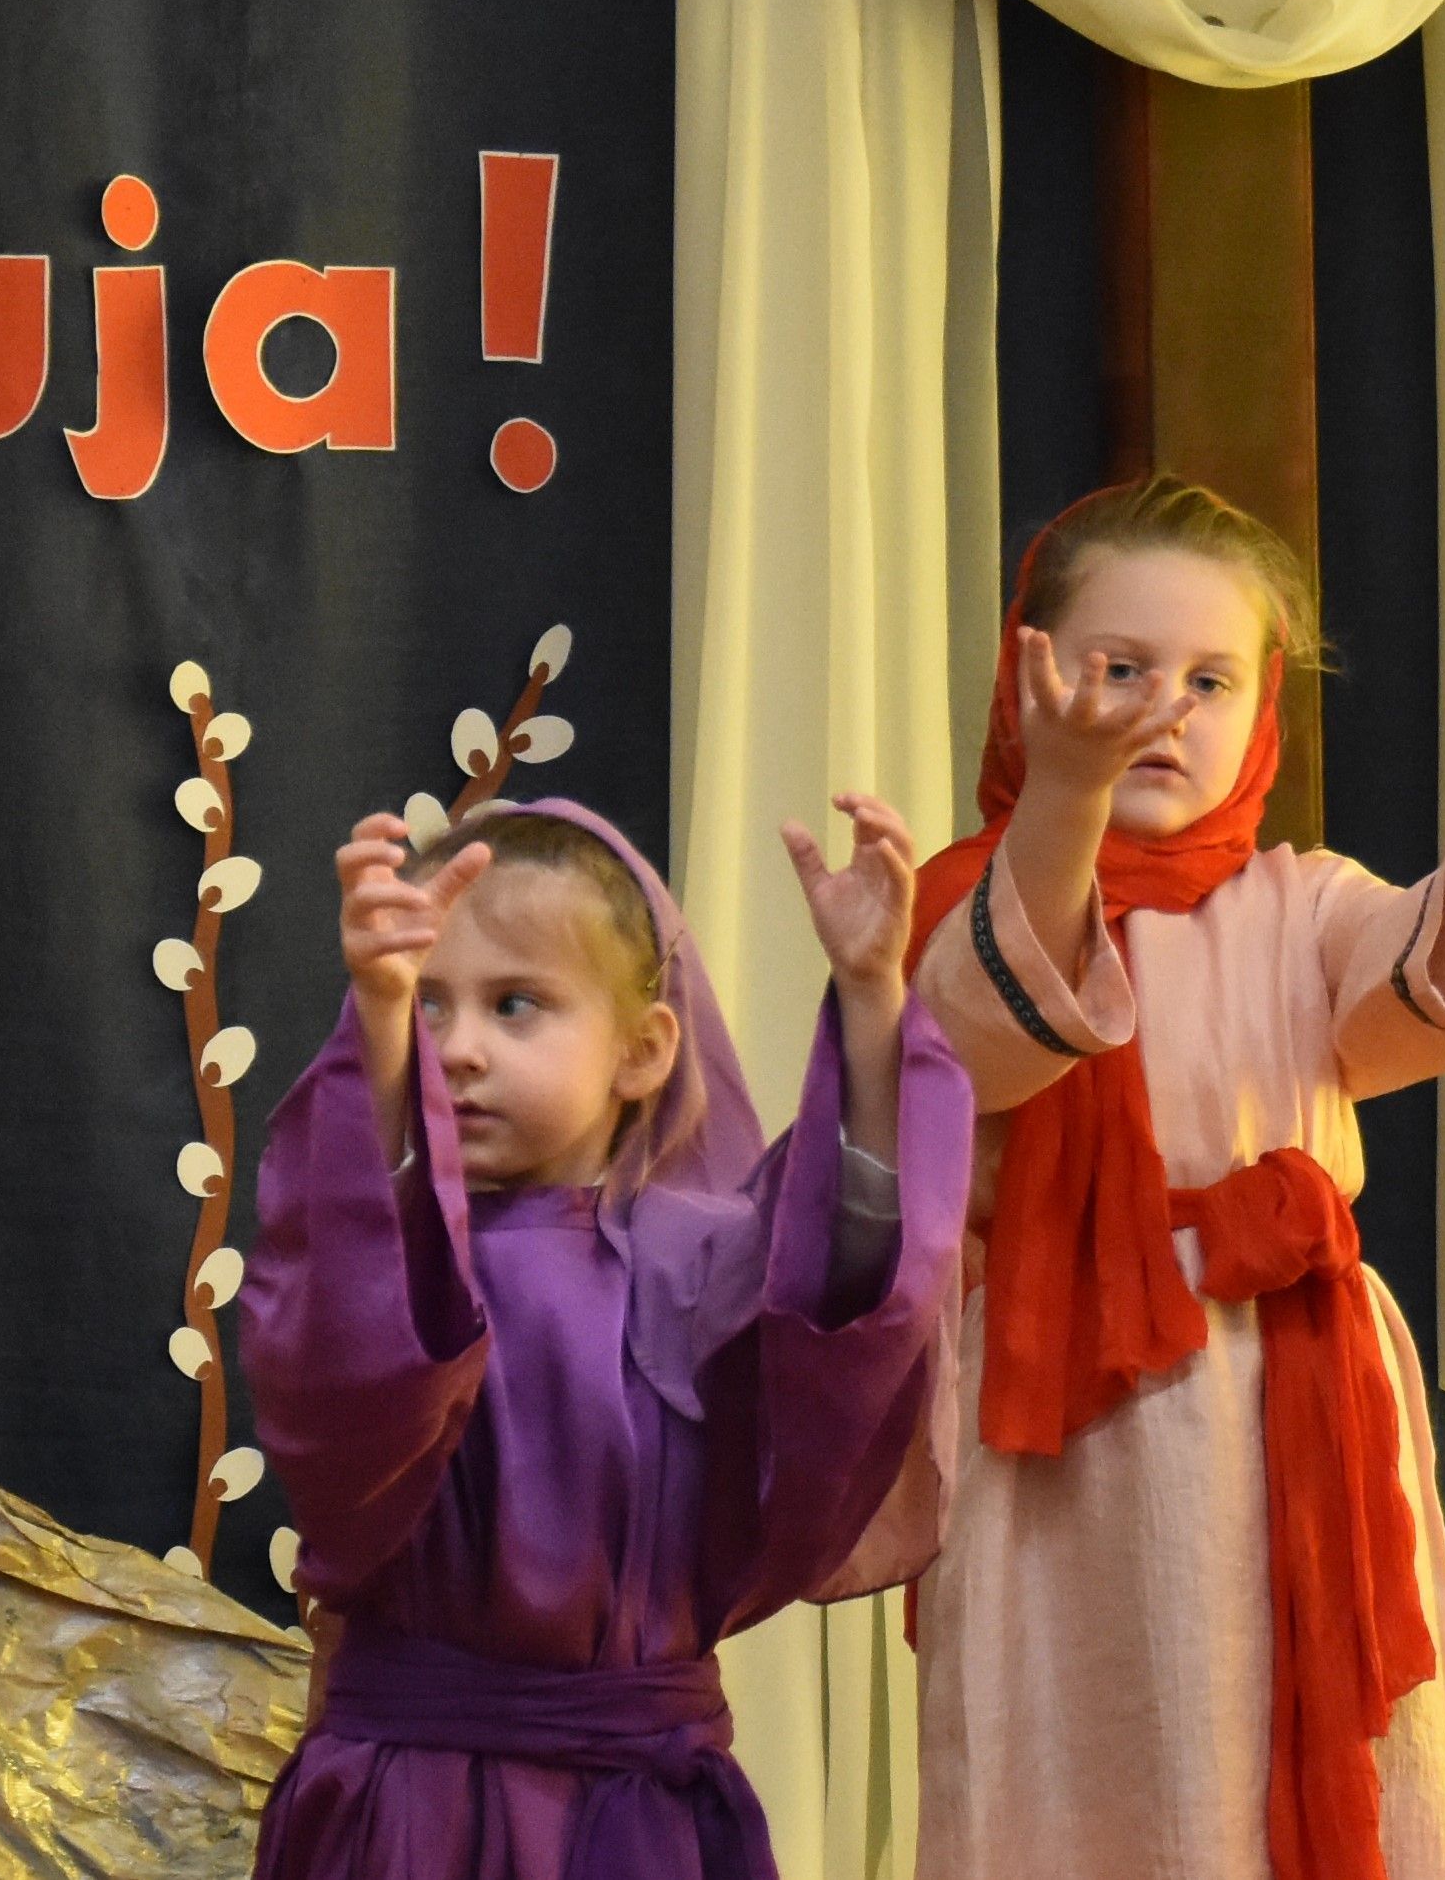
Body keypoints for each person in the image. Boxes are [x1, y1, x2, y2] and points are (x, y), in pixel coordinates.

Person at [905, 476, 1445, 1880]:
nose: (1163, 708)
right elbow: (985, 1036)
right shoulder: (971, 895)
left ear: (1264, 708)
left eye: (1209, 679)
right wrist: (1066, 794)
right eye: (1118, 669)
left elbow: (1444, 978)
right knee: (1077, 1759)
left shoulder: (1303, 900)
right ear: (1030, 682)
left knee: (1304, 1748)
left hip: (1289, 1390)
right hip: (1064, 1417)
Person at [240, 788, 968, 1880]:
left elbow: (852, 1303)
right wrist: (378, 1031)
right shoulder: (378, 1250)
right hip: (404, 1815)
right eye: (428, 1006)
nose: (459, 1048)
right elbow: (345, 1344)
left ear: (643, 1049)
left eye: (516, 1004)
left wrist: (871, 999)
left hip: (631, 1823)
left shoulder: (707, 1267)